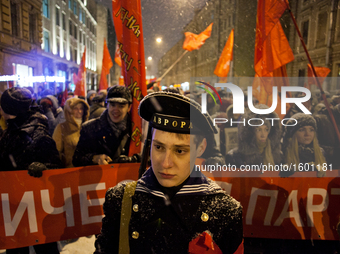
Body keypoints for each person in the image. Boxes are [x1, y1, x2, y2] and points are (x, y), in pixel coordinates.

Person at [94, 91, 243, 253]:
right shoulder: (121, 201)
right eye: (159, 147)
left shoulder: (225, 212)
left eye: (179, 151)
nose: (165, 163)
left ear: (201, 148)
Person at [0, 87, 61, 254]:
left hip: (37, 207)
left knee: (45, 247)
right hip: (13, 206)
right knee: (17, 248)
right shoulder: (10, 131)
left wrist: (43, 168)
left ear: (9, 110)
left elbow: (56, 167)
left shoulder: (38, 135)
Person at [73, 85, 140, 166]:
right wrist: (94, 158)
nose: (116, 110)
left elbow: (148, 156)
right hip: (100, 177)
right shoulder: (90, 128)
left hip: (127, 177)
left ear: (129, 107)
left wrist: (134, 159)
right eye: (112, 105)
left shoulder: (136, 129)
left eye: (121, 106)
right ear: (107, 105)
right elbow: (77, 159)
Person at [281, 113, 326, 177]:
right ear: (292, 134)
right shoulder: (283, 153)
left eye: (311, 130)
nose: (307, 134)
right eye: (301, 130)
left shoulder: (321, 153)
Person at [53, 97, 89, 168]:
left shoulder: (88, 126)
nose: (79, 111)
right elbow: (56, 152)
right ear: (69, 111)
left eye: (81, 108)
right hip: (69, 170)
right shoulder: (62, 127)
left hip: (87, 170)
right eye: (75, 108)